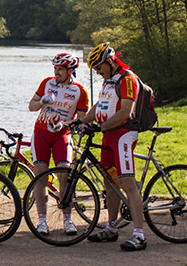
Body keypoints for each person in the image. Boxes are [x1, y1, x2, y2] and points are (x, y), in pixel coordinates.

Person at [75, 42, 146, 251]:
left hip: (123, 135)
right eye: (95, 69)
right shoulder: (108, 81)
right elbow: (99, 106)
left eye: (98, 67)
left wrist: (101, 126)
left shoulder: (127, 79)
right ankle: (112, 227)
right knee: (109, 182)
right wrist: (82, 122)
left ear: (109, 61)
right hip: (108, 136)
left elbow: (126, 111)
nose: (97, 72)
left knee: (127, 183)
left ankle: (139, 235)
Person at [28, 53, 89, 236]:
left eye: (60, 69)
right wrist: (41, 102)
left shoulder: (79, 90)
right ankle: (42, 220)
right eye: (55, 68)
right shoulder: (47, 83)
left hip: (62, 135)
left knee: (64, 174)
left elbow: (83, 120)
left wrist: (67, 124)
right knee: (40, 176)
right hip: (41, 133)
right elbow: (31, 106)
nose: (56, 72)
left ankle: (67, 218)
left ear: (71, 70)